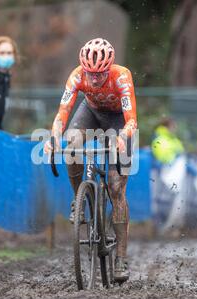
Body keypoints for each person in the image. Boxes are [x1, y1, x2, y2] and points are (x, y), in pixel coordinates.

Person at [44, 38, 137, 283]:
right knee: (72, 143)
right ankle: (79, 200)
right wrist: (54, 138)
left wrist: (123, 138)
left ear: (109, 67)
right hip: (91, 113)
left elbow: (132, 121)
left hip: (119, 120)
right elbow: (62, 114)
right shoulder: (77, 76)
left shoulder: (122, 77)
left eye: (100, 74)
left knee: (117, 188)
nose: (94, 79)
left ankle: (121, 258)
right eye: (90, 74)